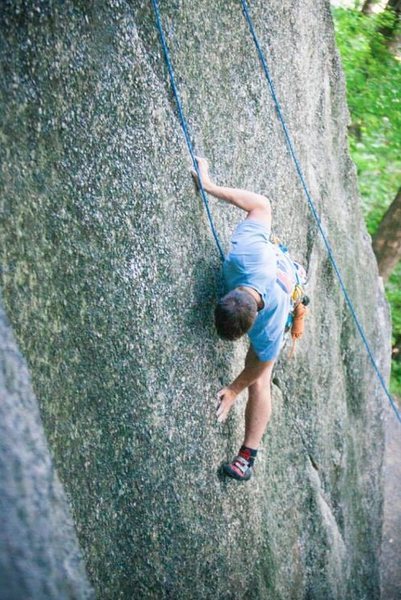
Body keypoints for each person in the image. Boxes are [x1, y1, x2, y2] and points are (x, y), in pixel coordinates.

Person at [192, 157, 292, 481]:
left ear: (252, 325)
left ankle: (247, 457)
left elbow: (261, 363)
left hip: (286, 286)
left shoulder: (271, 322)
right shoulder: (245, 255)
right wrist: (209, 185)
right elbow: (261, 205)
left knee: (260, 380)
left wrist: (235, 389)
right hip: (266, 265)